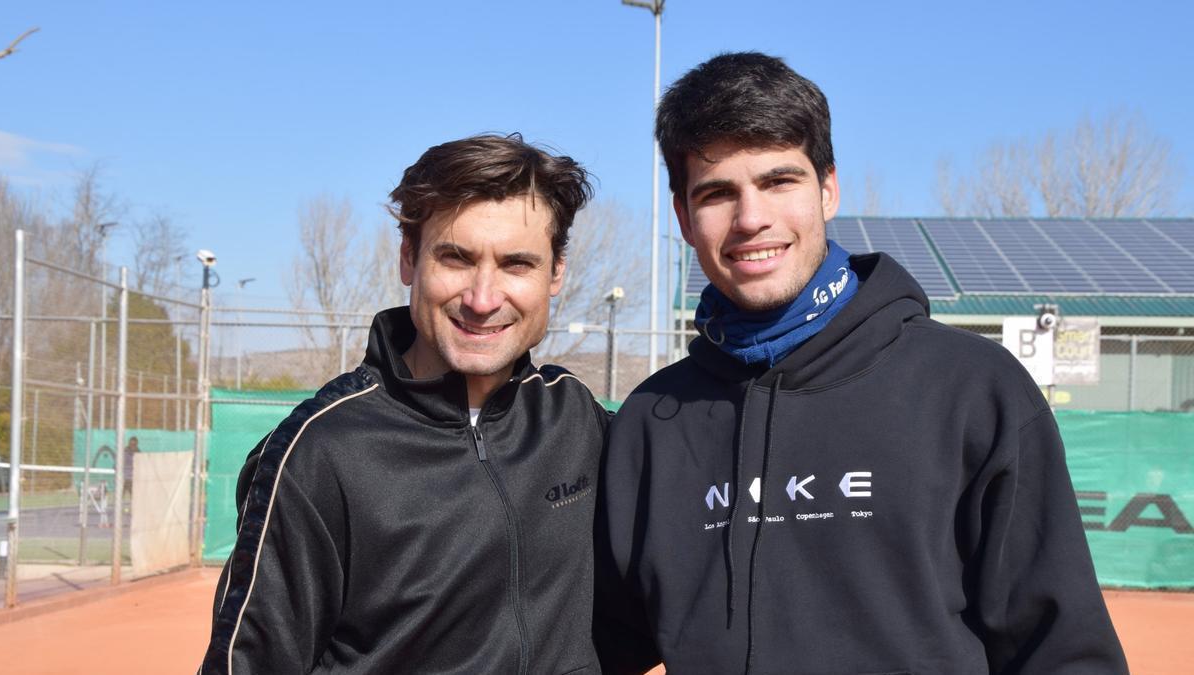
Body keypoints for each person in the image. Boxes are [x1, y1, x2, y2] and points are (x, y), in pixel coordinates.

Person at [593, 52, 1127, 674]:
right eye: (717, 193)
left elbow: (1062, 652)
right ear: (684, 218)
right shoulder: (652, 423)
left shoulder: (973, 388)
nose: (751, 218)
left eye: (778, 181)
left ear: (827, 189)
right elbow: (595, 645)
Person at [200, 134, 607, 674]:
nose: (483, 299)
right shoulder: (320, 452)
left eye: (516, 265)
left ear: (556, 274)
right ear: (409, 259)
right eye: (456, 258)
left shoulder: (576, 418)